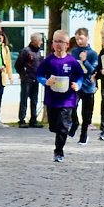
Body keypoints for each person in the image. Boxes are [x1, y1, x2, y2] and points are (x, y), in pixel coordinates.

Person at [37, 30, 82, 162]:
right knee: (53, 127)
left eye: (61, 42)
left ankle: (58, 152)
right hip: (52, 99)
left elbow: (80, 76)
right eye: (55, 41)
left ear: (67, 44)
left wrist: (77, 85)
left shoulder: (72, 61)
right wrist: (46, 81)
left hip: (67, 99)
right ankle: (72, 122)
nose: (58, 44)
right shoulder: (48, 61)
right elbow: (39, 75)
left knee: (62, 127)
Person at [69, 27, 98, 145]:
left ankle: (84, 134)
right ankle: (74, 122)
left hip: (88, 85)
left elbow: (93, 70)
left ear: (87, 38)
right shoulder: (74, 51)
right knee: (72, 106)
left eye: (81, 38)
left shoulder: (93, 53)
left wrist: (85, 61)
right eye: (77, 39)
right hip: (76, 84)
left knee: (86, 113)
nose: (79, 41)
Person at [15, 33, 43, 128]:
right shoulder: (26, 51)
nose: (41, 42)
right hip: (27, 79)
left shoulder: (39, 52)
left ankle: (33, 119)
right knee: (24, 99)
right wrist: (23, 75)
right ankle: (22, 120)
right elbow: (18, 65)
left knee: (34, 100)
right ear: (34, 41)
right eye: (40, 40)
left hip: (36, 78)